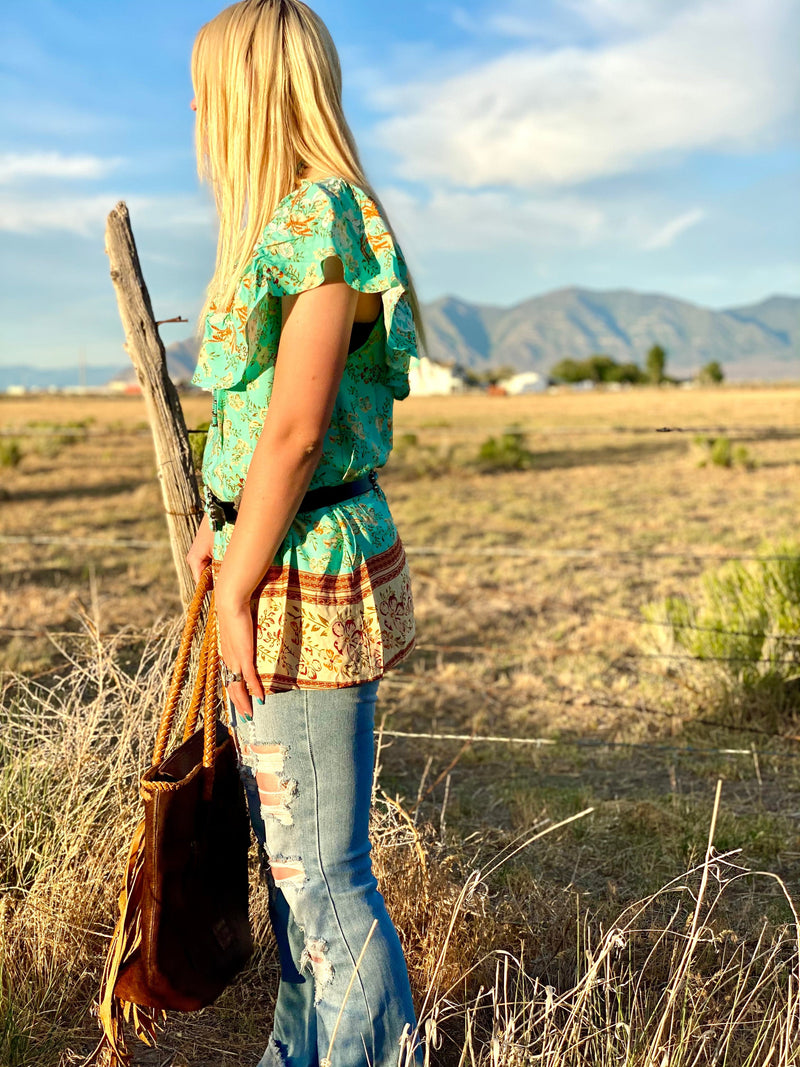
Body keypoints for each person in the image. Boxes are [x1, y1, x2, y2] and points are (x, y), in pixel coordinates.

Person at [184, 2, 427, 1065]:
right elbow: (256, 435)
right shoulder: (283, 221)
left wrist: (238, 583)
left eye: (203, 87)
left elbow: (294, 428)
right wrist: (221, 526)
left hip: (300, 575)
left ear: (246, 94)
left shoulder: (320, 215)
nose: (192, 107)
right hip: (266, 555)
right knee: (294, 872)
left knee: (324, 874)